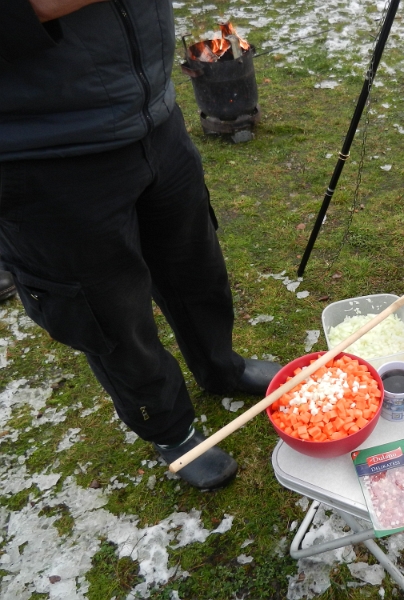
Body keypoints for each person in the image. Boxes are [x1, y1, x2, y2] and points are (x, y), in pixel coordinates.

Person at [0, 0, 281, 490]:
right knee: (111, 315)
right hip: (41, 150)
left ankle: (220, 367)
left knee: (196, 269)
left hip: (153, 112)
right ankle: (169, 427)